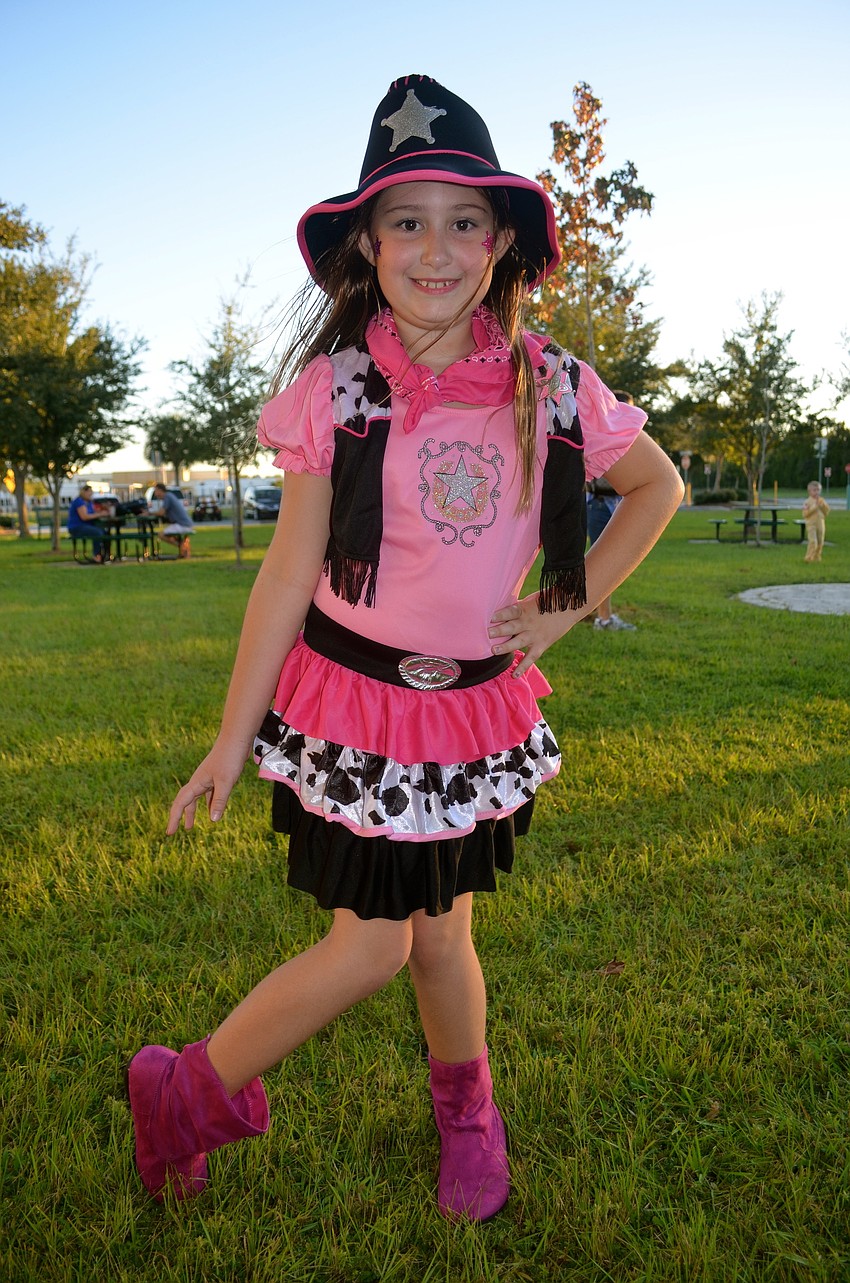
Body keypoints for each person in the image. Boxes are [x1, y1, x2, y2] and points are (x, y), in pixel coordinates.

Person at [127, 75, 683, 1220]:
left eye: (463, 219)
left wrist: (569, 603)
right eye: (407, 220)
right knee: (374, 945)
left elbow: (656, 487)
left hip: (469, 709)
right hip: (358, 708)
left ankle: (465, 1106)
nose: (436, 247)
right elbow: (289, 571)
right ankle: (184, 1093)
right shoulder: (337, 392)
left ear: (503, 242)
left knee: (443, 932)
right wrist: (232, 741)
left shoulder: (554, 387)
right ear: (367, 245)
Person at [585, 390, 639, 630]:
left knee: (613, 564)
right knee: (603, 564)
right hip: (598, 504)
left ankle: (602, 615)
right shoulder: (602, 438)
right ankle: (603, 618)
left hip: (615, 503)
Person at [67, 484, 108, 562]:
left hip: (86, 526)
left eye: (91, 492)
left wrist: (102, 511)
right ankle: (96, 556)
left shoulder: (89, 502)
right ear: (83, 492)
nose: (90, 494)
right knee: (97, 533)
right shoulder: (79, 501)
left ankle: (106, 555)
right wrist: (100, 514)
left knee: (105, 532)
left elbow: (93, 512)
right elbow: (84, 517)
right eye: (88, 491)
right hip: (77, 527)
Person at [151, 483, 193, 557]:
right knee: (170, 534)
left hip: (182, 524)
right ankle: (183, 548)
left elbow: (161, 513)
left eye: (156, 491)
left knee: (161, 534)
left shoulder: (167, 497)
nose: (155, 493)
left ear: (160, 490)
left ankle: (182, 547)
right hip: (185, 524)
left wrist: (148, 513)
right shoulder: (169, 496)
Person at [801, 480, 829, 562]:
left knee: (820, 542)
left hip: (820, 523)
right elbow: (805, 514)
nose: (816, 492)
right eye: (814, 490)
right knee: (813, 541)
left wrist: (822, 505)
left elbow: (826, 512)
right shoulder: (807, 502)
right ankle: (809, 558)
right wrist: (814, 507)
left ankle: (816, 557)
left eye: (818, 490)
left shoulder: (822, 501)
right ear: (809, 491)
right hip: (811, 524)